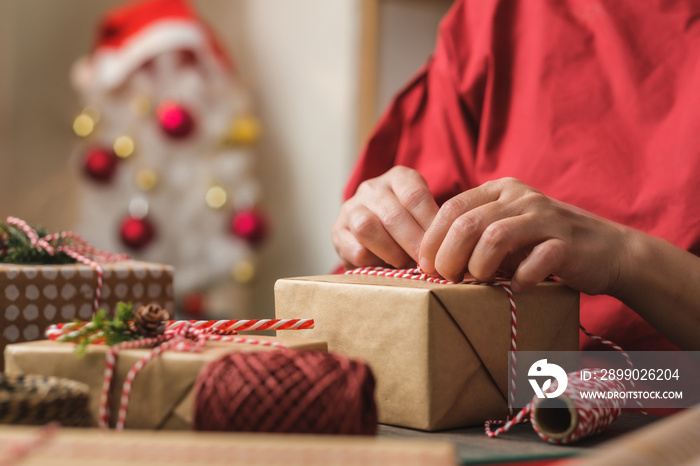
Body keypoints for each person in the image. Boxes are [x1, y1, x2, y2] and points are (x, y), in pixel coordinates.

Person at [332, 0, 700, 352]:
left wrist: (625, 258)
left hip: (672, 391)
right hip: (510, 388)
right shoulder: (495, 16)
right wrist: (376, 229)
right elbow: (411, 251)